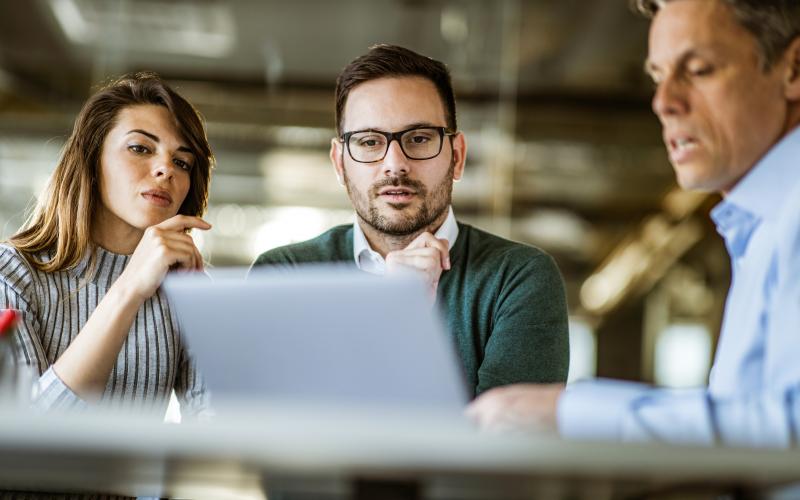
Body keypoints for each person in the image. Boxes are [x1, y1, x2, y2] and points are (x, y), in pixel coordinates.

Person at [467, 0, 800, 447]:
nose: (664, 102)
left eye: (698, 70)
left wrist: (569, 414)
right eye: (658, 77)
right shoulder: (759, 227)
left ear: (793, 69)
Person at [252, 44, 570, 397]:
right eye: (370, 141)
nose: (394, 164)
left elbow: (508, 446)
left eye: (419, 139)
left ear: (458, 157)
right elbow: (279, 432)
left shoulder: (518, 278)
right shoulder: (284, 275)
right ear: (340, 163)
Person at [0, 72, 214, 418]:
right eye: (140, 148)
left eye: (182, 162)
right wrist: (129, 287)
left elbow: (221, 427)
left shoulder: (185, 288)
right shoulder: (10, 275)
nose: (165, 169)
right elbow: (30, 433)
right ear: (92, 158)